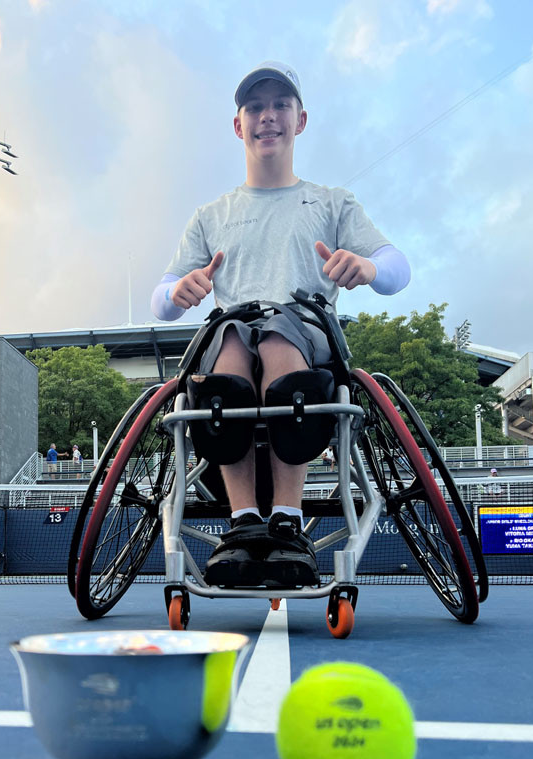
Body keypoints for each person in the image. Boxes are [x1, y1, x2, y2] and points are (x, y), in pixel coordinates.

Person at [151, 61, 410, 587]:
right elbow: (162, 301)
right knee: (229, 336)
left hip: (306, 335)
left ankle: (288, 520)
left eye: (280, 106)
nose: (267, 116)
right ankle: (244, 520)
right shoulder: (211, 215)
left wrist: (367, 267)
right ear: (238, 124)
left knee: (276, 331)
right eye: (255, 107)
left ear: (301, 120)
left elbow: (397, 268)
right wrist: (178, 293)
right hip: (233, 333)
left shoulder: (333, 203)